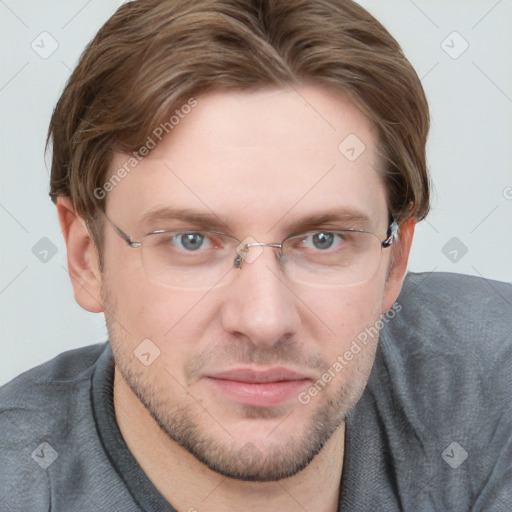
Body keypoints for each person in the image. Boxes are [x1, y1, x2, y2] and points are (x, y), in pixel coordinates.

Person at [1, 0, 510, 510]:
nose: (264, 321)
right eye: (191, 240)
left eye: (323, 239)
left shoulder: (493, 388)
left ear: (394, 260)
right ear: (88, 258)